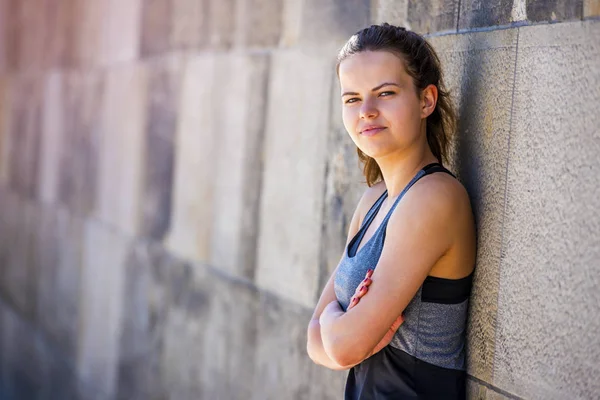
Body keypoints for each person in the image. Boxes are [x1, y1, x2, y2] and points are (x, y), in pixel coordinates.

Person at [306, 23, 476, 399]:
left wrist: (336, 324)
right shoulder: (374, 199)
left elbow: (342, 346)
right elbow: (314, 341)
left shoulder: (434, 198)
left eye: (385, 93)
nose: (366, 111)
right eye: (352, 99)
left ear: (426, 101)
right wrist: (341, 326)